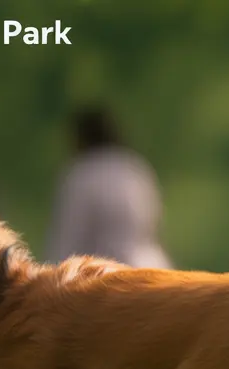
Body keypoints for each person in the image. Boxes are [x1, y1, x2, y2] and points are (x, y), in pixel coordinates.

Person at [45, 106, 173, 269]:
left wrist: (53, 272)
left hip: (108, 271)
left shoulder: (83, 174)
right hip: (152, 265)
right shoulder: (135, 167)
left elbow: (69, 236)